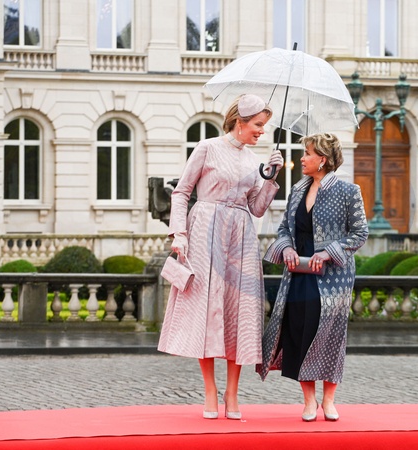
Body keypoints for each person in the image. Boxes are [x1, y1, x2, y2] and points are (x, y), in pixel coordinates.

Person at [158, 94, 284, 420]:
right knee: (207, 307)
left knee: (237, 311)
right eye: (258, 125)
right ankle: (210, 389)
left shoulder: (254, 160)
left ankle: (233, 392)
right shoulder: (207, 148)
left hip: (240, 235)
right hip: (205, 230)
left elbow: (256, 208)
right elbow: (181, 192)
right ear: (240, 122)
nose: (262, 131)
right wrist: (179, 233)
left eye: (264, 126)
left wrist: (270, 180)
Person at [257, 132, 369, 422]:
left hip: (333, 277)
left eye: (307, 153)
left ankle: (329, 400)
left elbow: (360, 233)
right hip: (298, 273)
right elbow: (285, 228)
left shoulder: (348, 191)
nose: (302, 158)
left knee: (330, 335)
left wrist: (329, 252)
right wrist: (286, 248)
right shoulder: (297, 190)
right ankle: (309, 400)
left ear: (323, 159)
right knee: (299, 332)